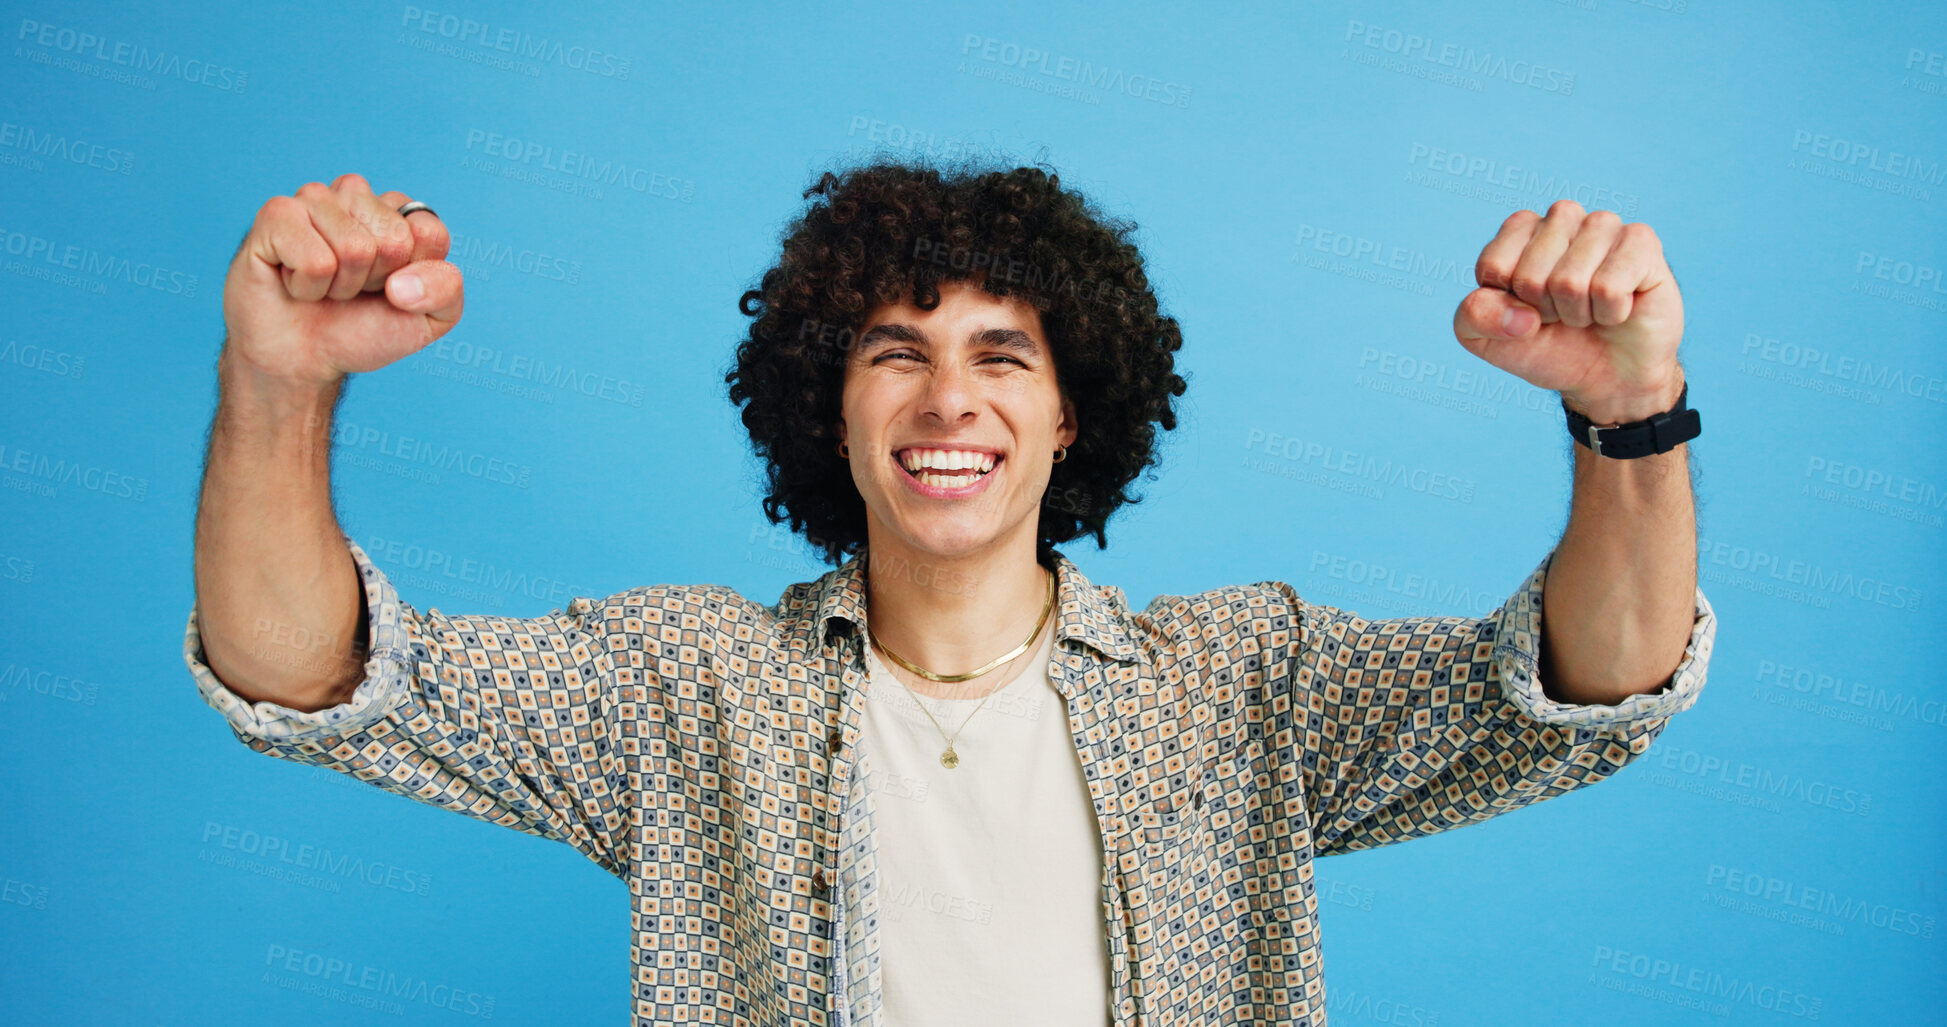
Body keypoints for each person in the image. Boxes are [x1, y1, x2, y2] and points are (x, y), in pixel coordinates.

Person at [182, 161, 1715, 1027]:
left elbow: (1591, 691)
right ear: (828, 407)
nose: (946, 401)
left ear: (1070, 416)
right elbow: (314, 681)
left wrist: (1628, 418)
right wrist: (279, 380)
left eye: (1004, 357)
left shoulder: (1242, 683)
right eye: (893, 352)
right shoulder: (686, 688)